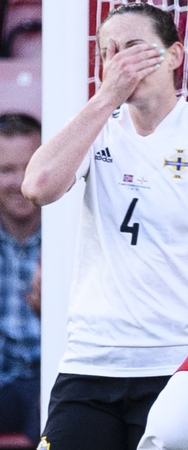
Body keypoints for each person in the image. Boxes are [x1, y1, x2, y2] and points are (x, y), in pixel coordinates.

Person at [20, 4, 188, 449]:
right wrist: (104, 97)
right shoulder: (96, 128)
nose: (120, 62)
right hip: (90, 363)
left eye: (134, 47)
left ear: (174, 55)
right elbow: (37, 188)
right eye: (108, 51)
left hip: (178, 366)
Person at [0, 113, 42, 444]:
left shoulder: (74, 233)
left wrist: (52, 309)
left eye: (29, 167)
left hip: (50, 375)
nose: (19, 182)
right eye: (6, 170)